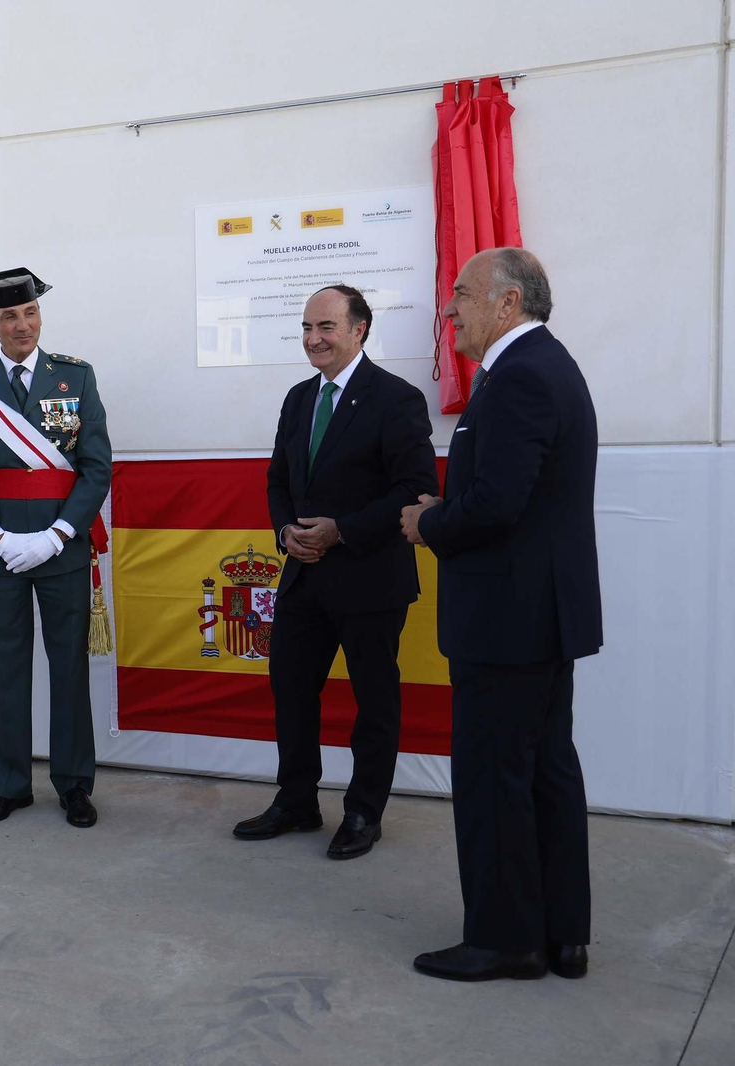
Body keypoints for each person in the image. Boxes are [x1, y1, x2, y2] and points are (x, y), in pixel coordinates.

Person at [404, 248, 599, 982]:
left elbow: (495, 505)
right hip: (538, 615)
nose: (450, 310)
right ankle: (560, 934)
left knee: (494, 778)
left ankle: (502, 939)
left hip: (509, 618)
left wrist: (430, 523)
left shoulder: (518, 377)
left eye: (461, 295)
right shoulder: (544, 368)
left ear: (507, 303)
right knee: (545, 770)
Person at [233, 285, 437, 858]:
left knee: (375, 701)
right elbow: (279, 479)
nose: (313, 339)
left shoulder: (397, 399)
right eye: (306, 328)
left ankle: (364, 812)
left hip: (370, 580)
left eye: (325, 327)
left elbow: (416, 488)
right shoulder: (299, 399)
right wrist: (285, 533)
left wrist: (340, 530)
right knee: (291, 690)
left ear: (359, 330)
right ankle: (296, 801)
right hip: (303, 577)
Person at [0, 268, 111, 828]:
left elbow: (95, 469)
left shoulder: (76, 378)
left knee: (69, 670)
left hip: (61, 550)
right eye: (9, 316)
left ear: (41, 316)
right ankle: (10, 785)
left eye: (30, 313)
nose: (22, 325)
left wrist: (57, 536)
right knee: (6, 669)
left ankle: (74, 785)